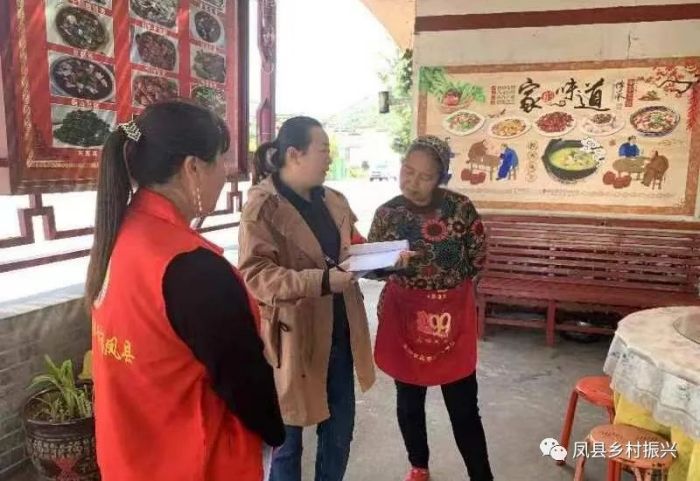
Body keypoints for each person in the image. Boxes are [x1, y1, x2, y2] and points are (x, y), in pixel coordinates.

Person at [86, 100, 284, 481]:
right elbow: (246, 385)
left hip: (131, 459)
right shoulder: (192, 268)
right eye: (221, 161)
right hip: (194, 463)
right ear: (193, 168)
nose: (225, 174)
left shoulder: (122, 233)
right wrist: (276, 432)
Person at [237, 116, 375, 481]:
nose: (330, 158)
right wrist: (322, 281)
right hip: (293, 336)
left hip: (340, 331)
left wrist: (384, 260)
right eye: (323, 150)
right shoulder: (264, 208)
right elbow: (257, 275)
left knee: (339, 432)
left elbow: (352, 246)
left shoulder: (334, 201)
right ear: (294, 154)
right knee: (288, 440)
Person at [368, 135, 494, 481]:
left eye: (425, 177)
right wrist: (388, 266)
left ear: (441, 179)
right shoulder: (387, 214)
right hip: (404, 316)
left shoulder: (461, 209)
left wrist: (447, 291)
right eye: (408, 171)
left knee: (463, 406)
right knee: (409, 400)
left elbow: (478, 257)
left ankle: (481, 475)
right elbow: (374, 267)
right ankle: (418, 466)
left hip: (451, 316)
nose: (413, 182)